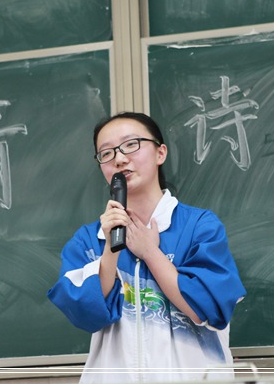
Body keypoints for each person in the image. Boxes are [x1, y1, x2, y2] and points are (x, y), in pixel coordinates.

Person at [47, 112, 246, 383]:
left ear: (160, 153)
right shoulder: (88, 239)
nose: (119, 159)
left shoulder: (199, 226)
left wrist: (150, 252)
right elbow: (85, 315)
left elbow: (208, 309)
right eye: (106, 153)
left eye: (131, 144)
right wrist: (110, 249)